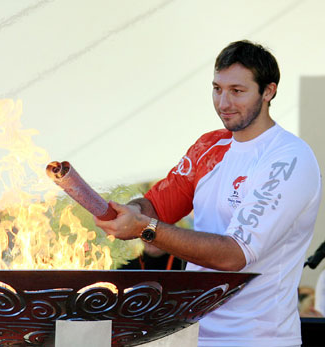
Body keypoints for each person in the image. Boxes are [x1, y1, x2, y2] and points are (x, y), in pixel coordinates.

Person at [95, 40, 322, 347]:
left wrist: (144, 228)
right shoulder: (210, 145)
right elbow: (156, 207)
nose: (223, 102)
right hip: (192, 334)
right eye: (217, 88)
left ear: (269, 91)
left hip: (256, 339)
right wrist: (128, 211)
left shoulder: (288, 158)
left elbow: (233, 255)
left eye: (237, 91)